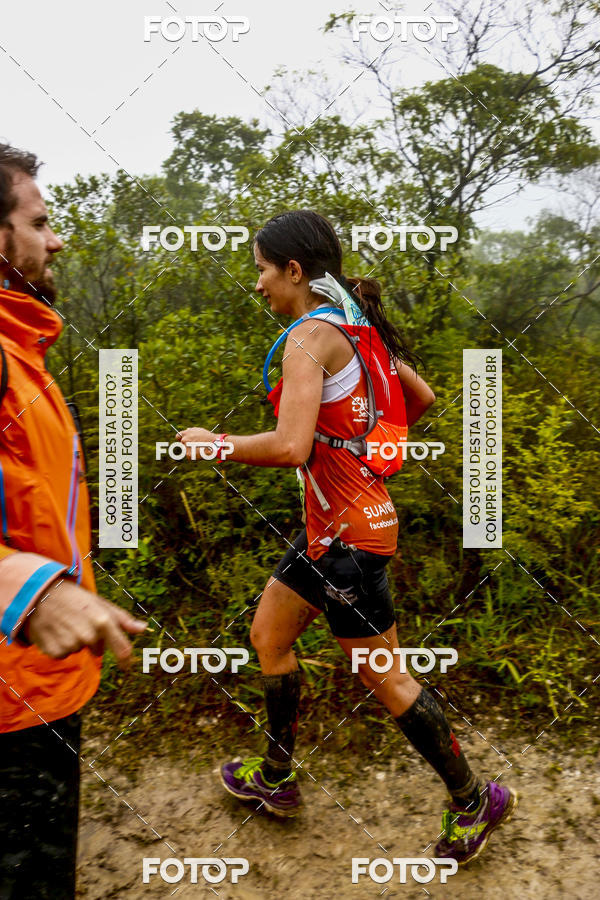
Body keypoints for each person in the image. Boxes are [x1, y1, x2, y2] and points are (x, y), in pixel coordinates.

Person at [179, 209, 517, 865]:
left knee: (384, 677)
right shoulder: (354, 330)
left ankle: (474, 799)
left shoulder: (312, 336)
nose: (258, 286)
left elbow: (288, 445)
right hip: (333, 532)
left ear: (295, 271)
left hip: (348, 542)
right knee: (270, 637)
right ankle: (276, 778)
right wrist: (363, 449)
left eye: (262, 271)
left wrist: (214, 445)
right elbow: (417, 399)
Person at [0, 143, 147, 900]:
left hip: (40, 688)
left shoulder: (23, 348)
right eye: (39, 222)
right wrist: (27, 589)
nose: (56, 239)